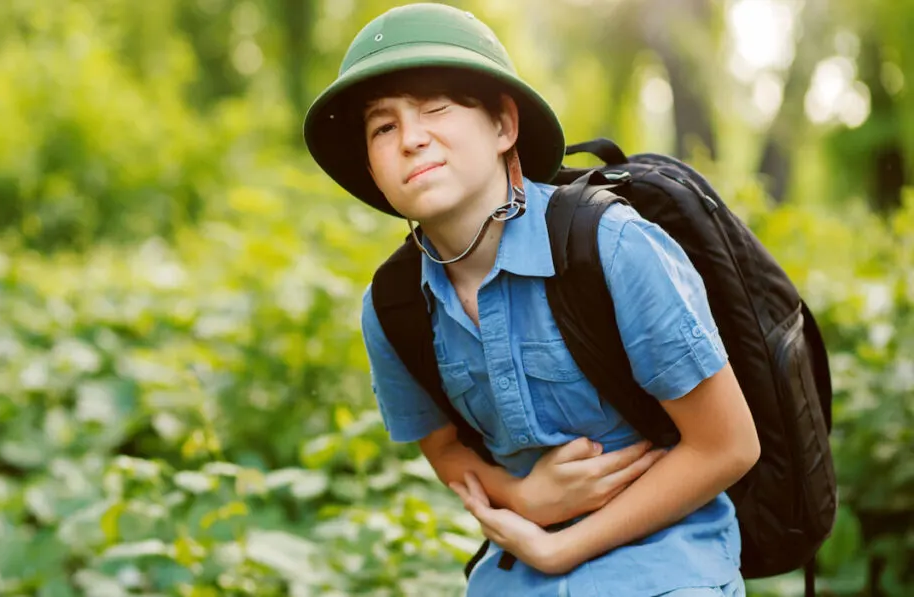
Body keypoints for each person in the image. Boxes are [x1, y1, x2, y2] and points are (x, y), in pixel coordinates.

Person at [303, 4, 760, 596]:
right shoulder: (393, 306)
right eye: (383, 128)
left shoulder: (610, 248)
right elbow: (441, 445)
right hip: (512, 577)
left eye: (436, 108)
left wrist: (560, 545)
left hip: (667, 569)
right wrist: (521, 498)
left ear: (503, 127)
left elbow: (726, 446)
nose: (411, 139)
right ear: (371, 165)